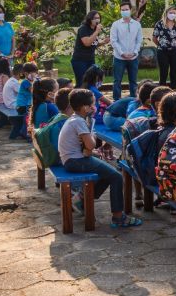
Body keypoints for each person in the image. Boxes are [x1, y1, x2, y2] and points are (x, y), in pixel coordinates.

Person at [59, 88, 142, 228]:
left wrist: (89, 148)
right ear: (85, 107)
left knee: (108, 171)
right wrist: (91, 136)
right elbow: (91, 144)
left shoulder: (76, 119)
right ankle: (118, 217)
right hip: (75, 161)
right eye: (93, 104)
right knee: (116, 176)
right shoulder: (79, 122)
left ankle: (83, 198)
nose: (95, 106)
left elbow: (87, 148)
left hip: (72, 159)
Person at [110, 2, 143, 101]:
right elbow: (113, 40)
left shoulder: (137, 24)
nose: (124, 11)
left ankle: (133, 100)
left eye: (126, 9)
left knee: (133, 81)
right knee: (117, 81)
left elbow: (139, 40)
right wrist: (122, 53)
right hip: (119, 57)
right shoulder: (116, 24)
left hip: (133, 57)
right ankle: (116, 100)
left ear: (130, 10)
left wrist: (135, 52)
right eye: (122, 10)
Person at [72, 10, 109, 87]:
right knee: (81, 82)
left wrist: (103, 42)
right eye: (95, 18)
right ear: (89, 19)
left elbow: (93, 44)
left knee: (91, 81)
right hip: (80, 60)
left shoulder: (95, 30)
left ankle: (89, 97)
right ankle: (77, 98)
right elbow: (87, 43)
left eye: (98, 18)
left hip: (90, 59)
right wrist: (96, 31)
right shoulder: (83, 29)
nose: (97, 20)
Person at [152, 5, 176, 89]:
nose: (172, 14)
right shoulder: (159, 24)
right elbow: (154, 38)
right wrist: (162, 44)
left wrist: (174, 43)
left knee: (174, 72)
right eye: (170, 12)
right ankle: (161, 91)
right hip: (162, 51)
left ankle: (174, 90)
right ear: (166, 13)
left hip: (175, 51)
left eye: (174, 13)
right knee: (163, 72)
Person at [16, 62, 39, 141]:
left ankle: (25, 132)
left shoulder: (31, 81)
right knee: (30, 117)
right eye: (34, 73)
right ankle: (27, 134)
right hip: (22, 106)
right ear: (26, 74)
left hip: (27, 104)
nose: (36, 75)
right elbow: (34, 91)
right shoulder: (25, 82)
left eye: (36, 73)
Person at [3, 64, 25, 139]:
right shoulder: (14, 82)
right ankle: (24, 129)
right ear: (20, 73)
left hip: (9, 103)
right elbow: (24, 93)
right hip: (12, 104)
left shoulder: (11, 80)